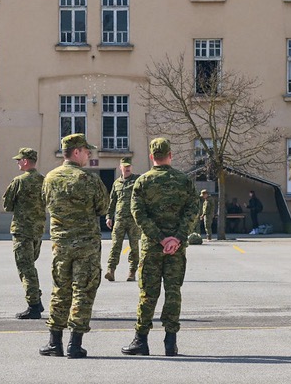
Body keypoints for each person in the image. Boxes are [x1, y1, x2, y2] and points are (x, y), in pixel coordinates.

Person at [121, 137, 198, 357]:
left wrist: (159, 238)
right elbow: (193, 211)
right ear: (170, 155)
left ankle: (141, 340)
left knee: (148, 293)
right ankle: (170, 342)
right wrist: (177, 238)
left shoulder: (142, 182)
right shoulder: (184, 181)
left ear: (151, 156)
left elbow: (138, 214)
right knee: (173, 292)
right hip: (177, 247)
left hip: (152, 247)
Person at [39, 134, 108, 359]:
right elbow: (103, 207)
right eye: (87, 151)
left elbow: (45, 203)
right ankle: (75, 344)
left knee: (60, 289)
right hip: (86, 244)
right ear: (76, 152)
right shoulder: (89, 179)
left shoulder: (49, 178)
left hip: (61, 245)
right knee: (83, 291)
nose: (89, 155)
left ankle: (54, 342)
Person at [2, 148, 46, 319]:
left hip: (22, 230)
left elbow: (7, 205)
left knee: (25, 268)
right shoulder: (44, 180)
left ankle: (33, 305)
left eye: (19, 160)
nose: (18, 162)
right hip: (38, 231)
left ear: (26, 161)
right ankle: (37, 300)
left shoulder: (19, 181)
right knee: (30, 266)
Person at [105, 157, 141, 280]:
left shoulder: (137, 181)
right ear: (120, 167)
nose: (126, 168)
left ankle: (132, 272)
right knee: (115, 245)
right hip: (119, 219)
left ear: (131, 167)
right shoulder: (117, 183)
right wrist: (109, 216)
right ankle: (111, 270)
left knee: (134, 246)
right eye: (124, 166)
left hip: (133, 220)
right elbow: (112, 201)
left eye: (128, 166)